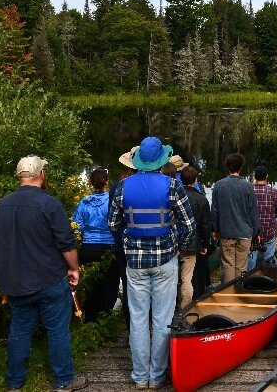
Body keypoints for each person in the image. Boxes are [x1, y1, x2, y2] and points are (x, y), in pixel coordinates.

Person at [0, 155, 88, 392]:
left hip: (16, 280)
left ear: (20, 176)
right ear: (41, 175)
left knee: (20, 330)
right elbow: (66, 244)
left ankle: (14, 383)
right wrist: (74, 269)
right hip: (49, 278)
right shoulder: (50, 204)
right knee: (57, 330)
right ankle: (64, 380)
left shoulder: (3, 204)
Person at [108, 137, 197, 389]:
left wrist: (129, 234)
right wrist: (177, 244)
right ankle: (156, 376)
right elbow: (189, 226)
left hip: (135, 262)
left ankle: (139, 376)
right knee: (162, 318)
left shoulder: (123, 187)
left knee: (137, 319)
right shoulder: (172, 185)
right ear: (161, 160)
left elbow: (113, 224)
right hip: (165, 260)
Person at [72, 167, 119, 323]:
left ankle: (90, 318)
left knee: (91, 285)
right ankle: (104, 317)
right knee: (110, 285)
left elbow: (77, 226)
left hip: (88, 247)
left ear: (91, 183)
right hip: (108, 247)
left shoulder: (84, 202)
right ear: (107, 181)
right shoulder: (112, 201)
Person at [211, 153, 261, 283]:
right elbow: (253, 211)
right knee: (241, 266)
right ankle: (239, 291)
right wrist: (257, 232)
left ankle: (229, 293)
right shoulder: (248, 186)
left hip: (226, 232)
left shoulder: (218, 186)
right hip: (244, 233)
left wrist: (214, 229)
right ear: (241, 168)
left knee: (228, 265)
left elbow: (215, 211)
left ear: (228, 167)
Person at [109, 145, 138, 330]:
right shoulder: (160, 184)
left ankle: (131, 330)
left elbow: (112, 221)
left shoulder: (119, 186)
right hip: (148, 246)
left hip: (123, 245)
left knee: (128, 287)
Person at [178, 165, 211, 308]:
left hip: (175, 243)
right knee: (187, 278)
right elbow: (205, 225)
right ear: (195, 180)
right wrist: (205, 244)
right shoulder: (201, 199)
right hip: (193, 244)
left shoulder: (175, 195)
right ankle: (185, 309)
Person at [248, 165, 277, 269]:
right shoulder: (273, 192)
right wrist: (273, 214)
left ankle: (249, 280)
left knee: (251, 262)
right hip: (269, 232)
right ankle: (267, 278)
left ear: (255, 176)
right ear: (267, 176)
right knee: (269, 261)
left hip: (252, 233)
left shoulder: (248, 191)